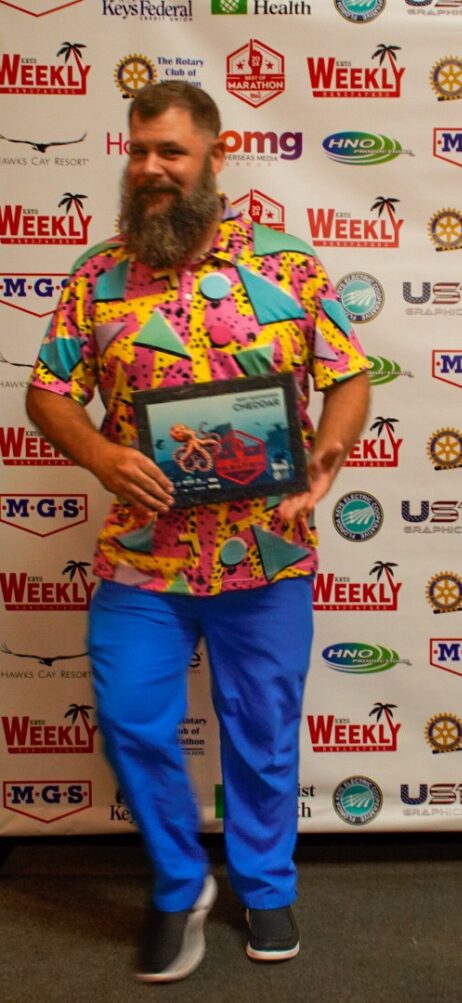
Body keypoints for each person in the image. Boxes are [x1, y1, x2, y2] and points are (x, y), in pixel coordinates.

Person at [25, 81, 370, 983]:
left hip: (267, 548)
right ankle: (181, 883)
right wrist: (101, 454)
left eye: (170, 152)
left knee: (261, 728)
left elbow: (350, 375)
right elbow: (47, 392)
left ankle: (263, 881)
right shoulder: (96, 277)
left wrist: (329, 457)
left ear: (215, 155)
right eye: (139, 151)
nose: (150, 169)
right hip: (143, 555)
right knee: (132, 714)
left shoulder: (288, 267)